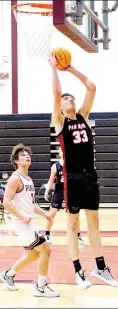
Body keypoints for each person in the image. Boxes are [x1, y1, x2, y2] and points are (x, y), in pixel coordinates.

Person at [48, 54, 118, 289]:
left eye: (72, 98)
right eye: (66, 98)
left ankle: (100, 268)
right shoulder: (60, 121)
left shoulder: (84, 117)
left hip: (90, 175)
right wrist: (54, 68)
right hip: (72, 176)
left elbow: (92, 86)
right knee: (73, 225)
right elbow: (57, 94)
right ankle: (78, 271)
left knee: (94, 222)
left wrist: (71, 69)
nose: (69, 99)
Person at [0, 143, 60, 297]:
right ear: (16, 161)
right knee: (46, 250)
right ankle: (40, 287)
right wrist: (22, 216)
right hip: (20, 223)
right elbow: (6, 201)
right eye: (23, 155)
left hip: (26, 222)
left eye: (28, 154)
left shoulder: (28, 179)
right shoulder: (15, 178)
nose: (27, 156)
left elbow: (31, 205)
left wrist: (45, 213)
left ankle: (8, 275)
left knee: (33, 255)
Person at [44, 146, 84, 247]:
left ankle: (78, 236)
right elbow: (51, 180)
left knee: (75, 216)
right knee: (51, 214)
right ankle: (47, 234)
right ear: (59, 153)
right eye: (62, 151)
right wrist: (47, 191)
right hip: (59, 192)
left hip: (71, 192)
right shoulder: (55, 166)